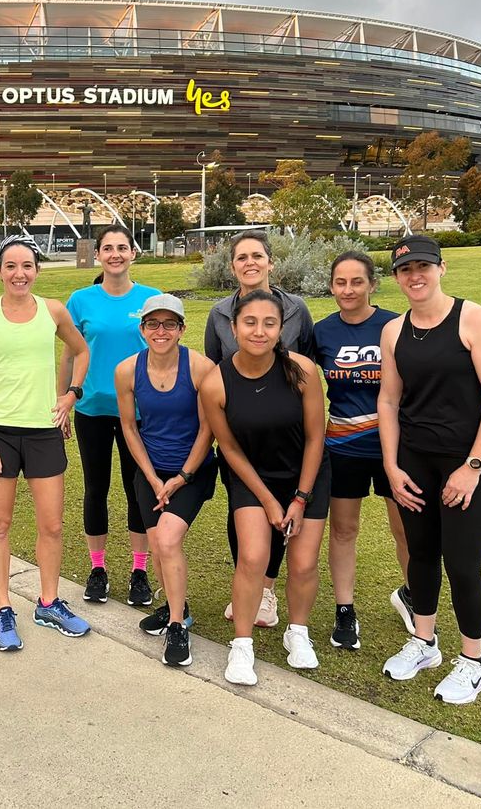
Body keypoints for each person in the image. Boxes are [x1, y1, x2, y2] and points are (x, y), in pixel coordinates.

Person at [378, 235, 481, 704]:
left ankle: (474, 663)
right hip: (416, 461)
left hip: (470, 464)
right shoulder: (394, 331)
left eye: (423, 267)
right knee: (420, 555)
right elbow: (390, 400)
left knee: (462, 565)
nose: (415, 276)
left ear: (441, 268)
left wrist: (472, 467)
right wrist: (392, 467)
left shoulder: (473, 319)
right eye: (404, 269)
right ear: (396, 277)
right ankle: (424, 642)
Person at [200, 290, 330, 686]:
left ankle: (298, 633)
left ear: (281, 329)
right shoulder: (215, 382)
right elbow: (231, 449)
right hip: (250, 476)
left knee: (304, 562)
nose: (259, 331)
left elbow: (315, 438)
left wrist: (300, 498)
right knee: (253, 557)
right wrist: (272, 502)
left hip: (306, 475)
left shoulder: (302, 369)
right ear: (234, 327)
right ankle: (242, 645)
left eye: (269, 323)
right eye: (250, 322)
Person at [0, 235, 91, 651]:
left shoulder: (53, 311)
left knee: (52, 524)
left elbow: (80, 350)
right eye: (11, 266)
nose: (19, 274)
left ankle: (49, 602)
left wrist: (71, 394)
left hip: (43, 432)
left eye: (27, 266)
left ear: (37, 270)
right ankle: (3, 608)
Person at [203, 231, 315, 629]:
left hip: (286, 432)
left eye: (257, 256)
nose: (250, 263)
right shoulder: (218, 314)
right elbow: (213, 370)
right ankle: (249, 582)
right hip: (241, 435)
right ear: (232, 266)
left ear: (271, 262)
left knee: (283, 513)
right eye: (241, 257)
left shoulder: (297, 309)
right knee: (244, 516)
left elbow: (307, 364)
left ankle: (265, 589)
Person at [313, 251, 411, 649]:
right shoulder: (321, 332)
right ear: (332, 286)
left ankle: (414, 598)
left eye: (357, 281)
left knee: (405, 530)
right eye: (341, 282)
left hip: (395, 448)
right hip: (343, 447)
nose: (348, 290)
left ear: (372, 284)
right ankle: (345, 611)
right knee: (344, 530)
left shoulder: (395, 326)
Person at [115, 295, 217, 667]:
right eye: (153, 324)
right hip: (151, 471)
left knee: (169, 539)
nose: (161, 331)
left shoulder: (202, 368)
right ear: (142, 330)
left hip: (193, 471)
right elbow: (129, 425)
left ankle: (176, 626)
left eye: (169, 324)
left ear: (181, 329)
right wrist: (152, 476)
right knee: (158, 544)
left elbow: (209, 429)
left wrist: (181, 477)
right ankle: (179, 605)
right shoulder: (127, 370)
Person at [62, 225, 160, 606]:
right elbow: (70, 354)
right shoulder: (81, 300)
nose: (115, 253)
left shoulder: (152, 300)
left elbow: (164, 351)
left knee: (138, 490)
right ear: (98, 255)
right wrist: (63, 398)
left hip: (138, 413)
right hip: (92, 409)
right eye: (108, 248)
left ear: (133, 253)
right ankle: (98, 569)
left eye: (122, 247)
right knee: (95, 489)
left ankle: (139, 571)